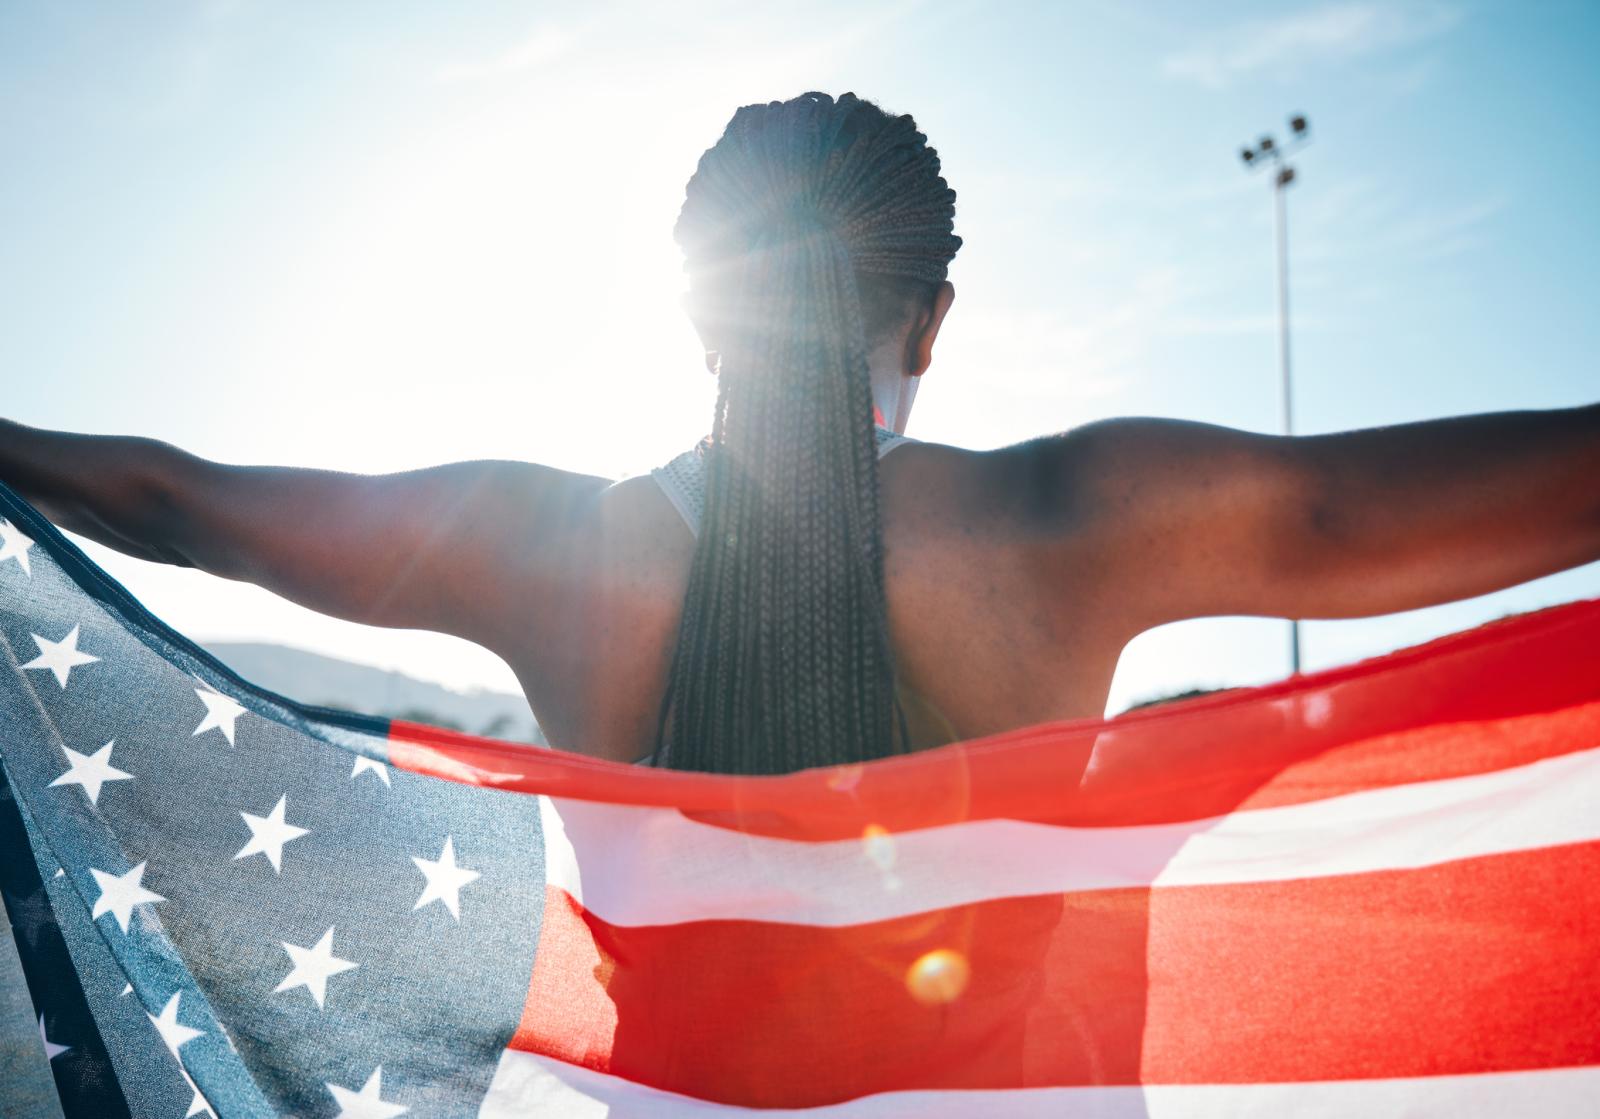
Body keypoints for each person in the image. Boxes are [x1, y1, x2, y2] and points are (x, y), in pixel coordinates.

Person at [2, 91, 1596, 776]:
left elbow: (176, 500)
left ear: (699, 316)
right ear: (931, 321)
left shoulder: (543, 550)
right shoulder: (1077, 519)